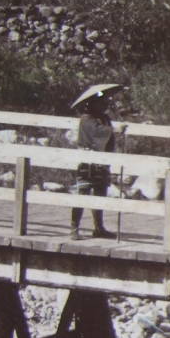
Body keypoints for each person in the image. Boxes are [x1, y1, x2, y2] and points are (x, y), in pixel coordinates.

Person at [71, 88, 118, 239]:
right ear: (92, 104)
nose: (104, 105)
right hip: (87, 160)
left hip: (101, 161)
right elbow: (98, 132)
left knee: (101, 191)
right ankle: (74, 228)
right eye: (100, 102)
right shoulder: (87, 119)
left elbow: (108, 138)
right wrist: (112, 130)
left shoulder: (103, 118)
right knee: (82, 192)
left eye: (104, 102)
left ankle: (99, 227)